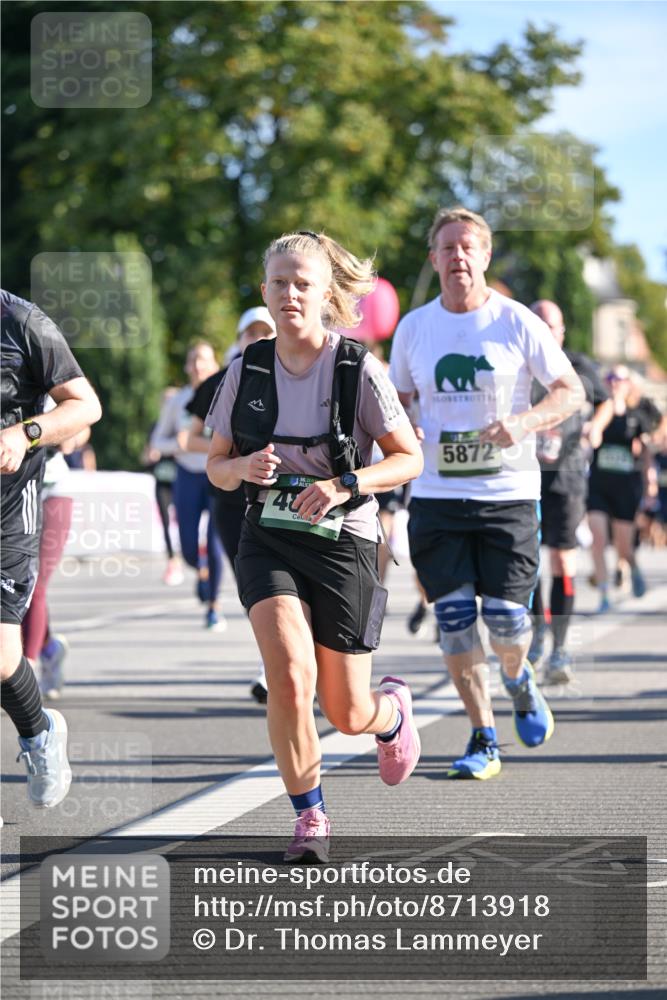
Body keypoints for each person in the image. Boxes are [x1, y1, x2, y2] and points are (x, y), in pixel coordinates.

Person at [206, 231, 423, 861]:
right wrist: (243, 468)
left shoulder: (357, 367)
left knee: (346, 709)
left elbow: (408, 459)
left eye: (303, 282)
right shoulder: (245, 367)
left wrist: (342, 484)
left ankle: (390, 716)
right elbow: (216, 465)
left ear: (326, 291)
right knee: (289, 678)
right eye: (279, 283)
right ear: (264, 291)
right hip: (268, 537)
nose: (290, 294)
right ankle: (311, 817)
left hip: (344, 539)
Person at [389, 207, 584, 780]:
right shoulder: (414, 328)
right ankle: (484, 736)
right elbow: (396, 399)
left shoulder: (518, 322)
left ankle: (519, 679)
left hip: (508, 495)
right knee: (452, 621)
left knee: (504, 623)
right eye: (446, 248)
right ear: (434, 259)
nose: (457, 257)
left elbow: (569, 391)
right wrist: (403, 424)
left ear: (485, 256)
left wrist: (523, 423)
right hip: (437, 497)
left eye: (467, 247)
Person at [1, 289, 101, 808]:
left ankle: (38, 732)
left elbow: (86, 406)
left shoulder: (22, 321)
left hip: (8, 510)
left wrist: (25, 433)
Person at [187, 307, 276, 703]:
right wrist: (232, 457)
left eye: (265, 331)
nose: (257, 338)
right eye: (250, 332)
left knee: (283, 585)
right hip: (229, 499)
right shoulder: (222, 381)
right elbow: (189, 439)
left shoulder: (293, 376)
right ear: (239, 338)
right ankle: (272, 661)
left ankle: (278, 665)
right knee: (251, 586)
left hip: (278, 499)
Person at [527, 300, 613, 683]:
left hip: (567, 473)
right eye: (539, 323)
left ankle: (560, 648)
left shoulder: (578, 366)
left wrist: (596, 426)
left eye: (553, 325)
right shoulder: (517, 364)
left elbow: (606, 401)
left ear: (562, 332)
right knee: (527, 563)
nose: (546, 330)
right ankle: (538, 632)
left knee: (562, 561)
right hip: (523, 474)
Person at [150, 342, 224, 629]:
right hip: (187, 476)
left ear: (214, 364)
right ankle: (201, 572)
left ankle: (213, 607)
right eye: (193, 359)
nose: (198, 365)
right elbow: (158, 441)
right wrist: (180, 446)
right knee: (191, 549)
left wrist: (204, 447)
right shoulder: (178, 401)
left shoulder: (224, 392)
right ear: (186, 366)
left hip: (217, 475)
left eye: (204, 359)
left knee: (215, 543)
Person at [587, 364, 659, 612]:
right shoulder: (599, 412)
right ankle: (605, 593)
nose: (615, 382)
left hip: (624, 487)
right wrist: (592, 433)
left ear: (628, 384)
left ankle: (633, 567)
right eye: (611, 377)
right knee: (598, 540)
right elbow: (592, 433)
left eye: (621, 378)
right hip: (598, 485)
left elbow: (646, 453)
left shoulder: (636, 417)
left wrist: (650, 481)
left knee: (623, 545)